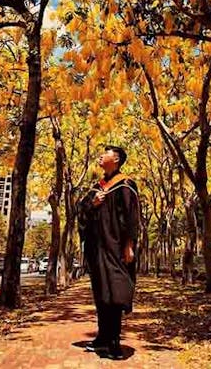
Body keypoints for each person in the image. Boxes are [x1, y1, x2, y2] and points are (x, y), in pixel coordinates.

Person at [77, 145, 140, 360]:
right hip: (97, 248)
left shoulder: (125, 185)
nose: (101, 156)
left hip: (116, 247)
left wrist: (129, 245)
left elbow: (132, 217)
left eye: (105, 153)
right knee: (101, 294)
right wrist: (93, 205)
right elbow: (82, 212)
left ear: (117, 159)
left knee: (115, 293)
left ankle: (114, 341)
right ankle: (102, 338)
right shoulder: (97, 188)